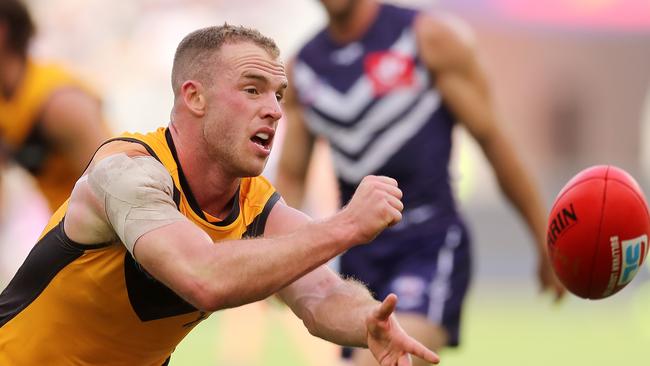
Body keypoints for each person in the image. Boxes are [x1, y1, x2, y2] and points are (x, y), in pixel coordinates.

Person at [0, 24, 440, 366]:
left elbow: (321, 296)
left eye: (279, 94)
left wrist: (367, 322)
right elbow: (202, 277)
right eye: (252, 90)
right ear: (194, 97)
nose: (273, 109)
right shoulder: (126, 171)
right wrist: (345, 226)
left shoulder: (256, 205)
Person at [275, 1, 566, 365]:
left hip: (429, 243)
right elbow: (290, 176)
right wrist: (278, 258)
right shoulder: (304, 70)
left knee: (385, 360)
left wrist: (543, 238)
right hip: (358, 260)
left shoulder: (427, 39)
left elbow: (494, 142)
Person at [0, 0, 110, 212]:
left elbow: (115, 190)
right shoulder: (7, 100)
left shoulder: (61, 103)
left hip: (100, 234)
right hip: (62, 231)